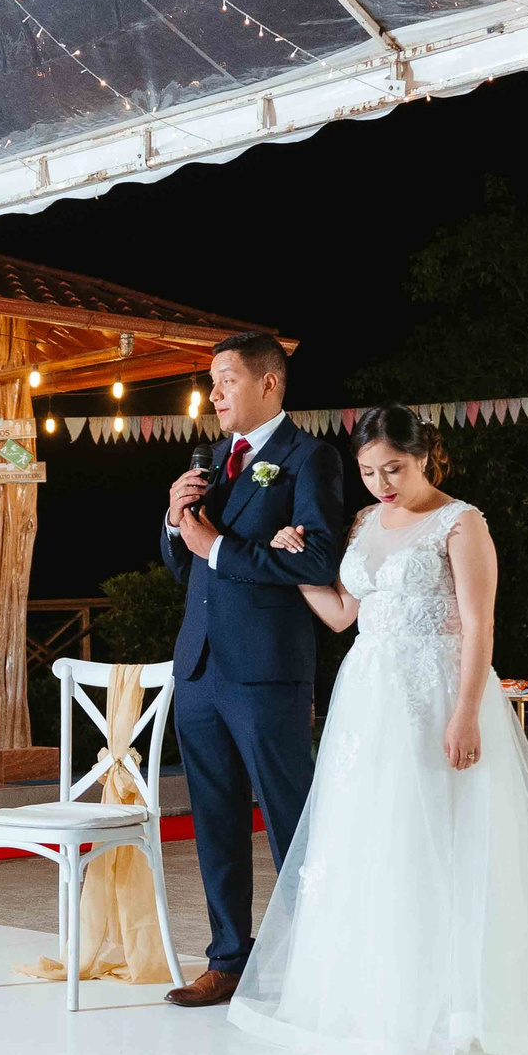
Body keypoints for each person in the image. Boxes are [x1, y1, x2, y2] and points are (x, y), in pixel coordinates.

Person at [226, 406, 528, 1055]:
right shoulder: (366, 522)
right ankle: (377, 992)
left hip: (437, 697)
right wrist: (299, 568)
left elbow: (480, 628)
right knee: (376, 839)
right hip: (369, 703)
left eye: (392, 468)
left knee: (444, 838)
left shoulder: (462, 522)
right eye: (368, 471)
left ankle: (456, 997)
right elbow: (343, 615)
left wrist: (465, 713)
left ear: (425, 454)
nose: (381, 483)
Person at [156, 332, 355, 1008]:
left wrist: (217, 544)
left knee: (292, 820)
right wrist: (174, 519)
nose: (213, 394)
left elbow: (317, 560)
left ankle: (324, 960)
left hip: (268, 669)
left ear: (270, 383)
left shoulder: (311, 459)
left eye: (226, 380)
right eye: (210, 382)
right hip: (202, 668)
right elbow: (188, 564)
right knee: (213, 820)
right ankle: (228, 961)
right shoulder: (215, 461)